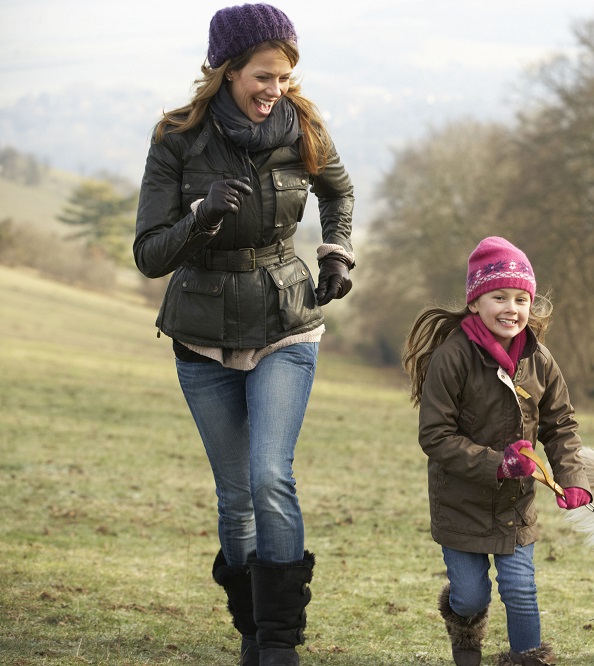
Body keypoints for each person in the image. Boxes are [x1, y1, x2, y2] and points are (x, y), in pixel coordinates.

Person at [133, 4, 355, 665]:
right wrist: (199, 217)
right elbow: (149, 254)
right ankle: (253, 628)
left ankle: (282, 641)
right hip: (201, 334)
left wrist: (338, 252)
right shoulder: (177, 139)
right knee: (236, 498)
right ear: (227, 71)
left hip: (287, 323)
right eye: (263, 76)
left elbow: (339, 195)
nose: (274, 91)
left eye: (284, 77)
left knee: (269, 477)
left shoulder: (304, 125)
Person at [401, 237, 593, 666]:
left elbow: (561, 426)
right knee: (471, 596)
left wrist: (573, 478)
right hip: (460, 503)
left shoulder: (540, 361)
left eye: (521, 298)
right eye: (499, 297)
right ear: (475, 302)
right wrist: (497, 464)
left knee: (521, 589)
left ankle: (528, 660)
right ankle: (465, 630)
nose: (512, 308)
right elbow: (434, 435)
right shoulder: (452, 358)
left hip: (514, 504)